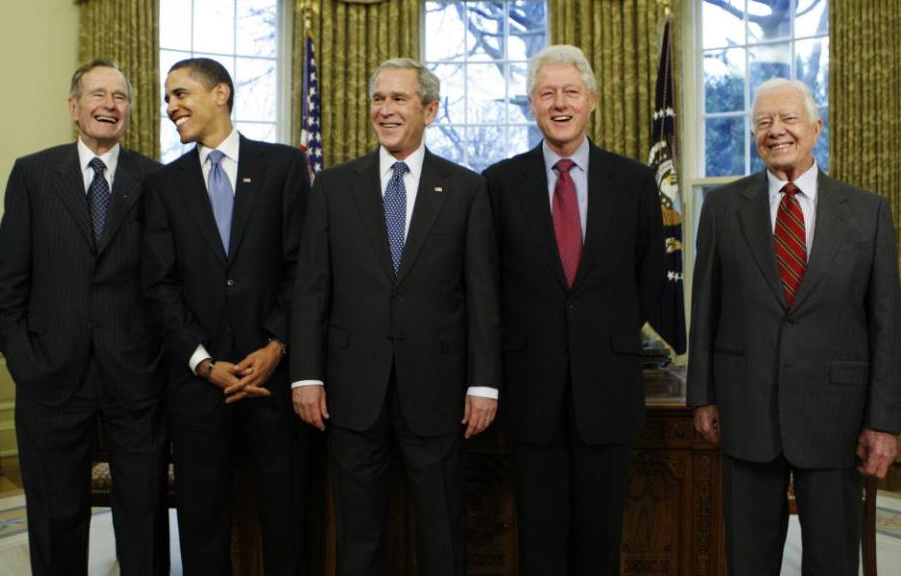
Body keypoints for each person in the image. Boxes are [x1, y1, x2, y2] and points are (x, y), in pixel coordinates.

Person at [290, 58, 500, 576]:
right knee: (358, 536)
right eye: (378, 99)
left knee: (440, 531)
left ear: (430, 109)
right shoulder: (334, 187)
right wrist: (306, 375)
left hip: (438, 390)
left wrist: (484, 385)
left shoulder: (466, 189)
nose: (384, 110)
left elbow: (482, 295)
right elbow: (312, 288)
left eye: (398, 99)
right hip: (351, 390)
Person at [687, 78, 901, 575]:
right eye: (763, 122)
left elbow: (886, 324)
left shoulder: (867, 213)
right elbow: (707, 309)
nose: (776, 131)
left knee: (832, 561)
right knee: (749, 560)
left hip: (837, 418)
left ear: (815, 127)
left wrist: (884, 420)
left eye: (788, 119)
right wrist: (703, 395)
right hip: (746, 412)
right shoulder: (722, 209)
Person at [482, 44, 664, 575]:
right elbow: (486, 282)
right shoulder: (498, 183)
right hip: (529, 389)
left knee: (600, 542)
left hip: (606, 388)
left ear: (592, 102)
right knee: (537, 544)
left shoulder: (632, 181)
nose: (559, 103)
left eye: (570, 92)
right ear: (531, 105)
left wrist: (599, 335)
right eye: (547, 94)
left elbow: (650, 277)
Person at [0, 59, 167, 576]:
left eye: (119, 97)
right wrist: (26, 362)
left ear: (130, 111)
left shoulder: (155, 179)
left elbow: (166, 282)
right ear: (74, 106)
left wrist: (155, 361)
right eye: (97, 94)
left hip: (135, 380)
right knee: (55, 514)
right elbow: (9, 285)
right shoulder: (32, 174)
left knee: (143, 515)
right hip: (51, 377)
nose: (108, 105)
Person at [142, 57, 309, 575]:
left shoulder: (283, 166)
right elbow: (158, 285)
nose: (171, 107)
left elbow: (302, 267)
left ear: (221, 93)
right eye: (167, 98)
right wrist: (203, 361)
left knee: (286, 522)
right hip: (198, 389)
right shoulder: (163, 186)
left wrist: (275, 346)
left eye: (181, 94)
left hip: (273, 382)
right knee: (202, 525)